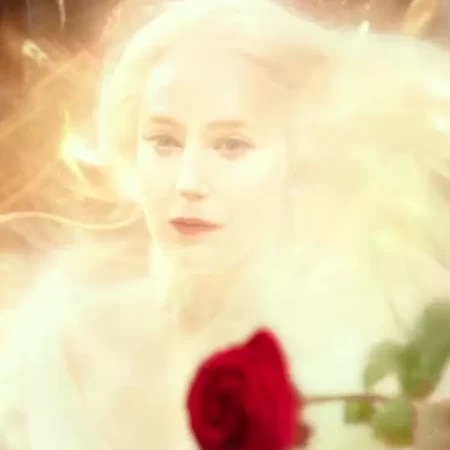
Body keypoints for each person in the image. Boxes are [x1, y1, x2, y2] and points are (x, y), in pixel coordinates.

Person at [2, 0, 450, 448]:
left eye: (231, 145)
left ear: (298, 159)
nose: (189, 182)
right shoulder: (57, 342)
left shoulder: (361, 368)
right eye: (164, 141)